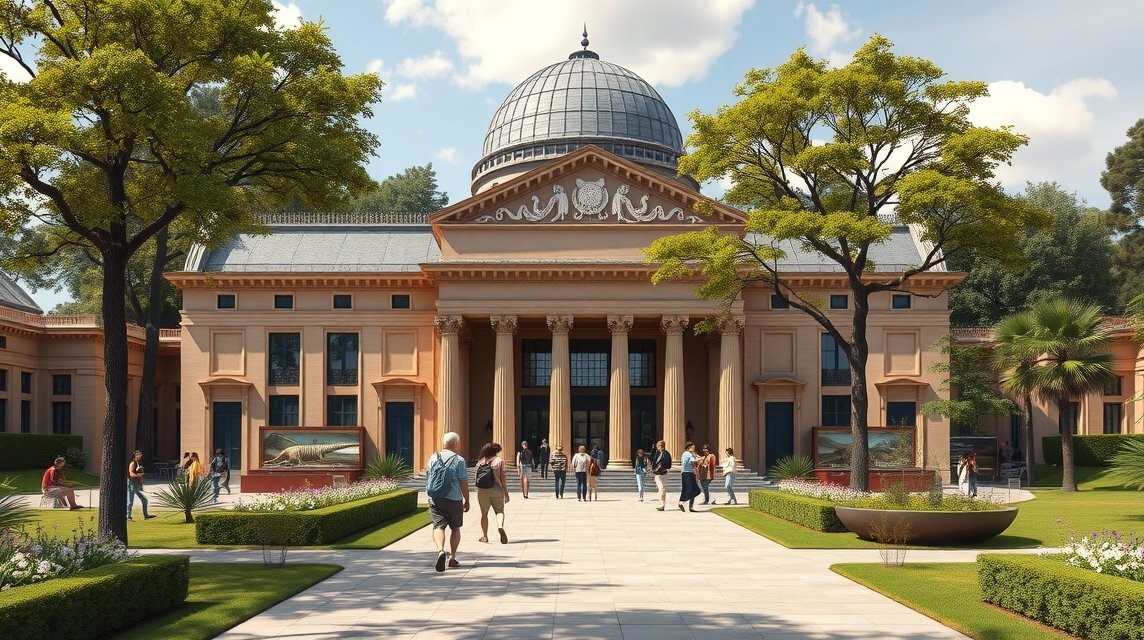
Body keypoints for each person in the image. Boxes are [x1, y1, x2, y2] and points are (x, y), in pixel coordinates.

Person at [426, 431, 470, 572]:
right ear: (456, 444)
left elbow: (429, 478)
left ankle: (440, 550)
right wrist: (467, 499)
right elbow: (463, 482)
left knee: (438, 526)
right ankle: (452, 557)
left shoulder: (433, 458)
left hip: (436, 498)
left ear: (444, 443)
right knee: (455, 528)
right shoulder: (459, 460)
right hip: (454, 499)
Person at [474, 442, 510, 545]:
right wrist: (506, 492)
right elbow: (503, 478)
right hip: (496, 488)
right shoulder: (500, 461)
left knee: (484, 513)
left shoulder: (480, 462)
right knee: (499, 511)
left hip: (482, 490)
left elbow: (476, 477)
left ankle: (485, 536)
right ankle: (500, 526)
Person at [127, 450, 156, 520]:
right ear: (136, 455)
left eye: (141, 454)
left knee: (138, 500)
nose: (141, 456)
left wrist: (141, 484)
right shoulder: (132, 463)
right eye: (139, 454)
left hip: (135, 484)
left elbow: (136, 472)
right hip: (132, 484)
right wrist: (139, 475)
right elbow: (131, 474)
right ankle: (129, 516)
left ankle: (144, 515)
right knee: (133, 501)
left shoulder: (137, 462)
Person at [677, 442, 702, 512]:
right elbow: (694, 460)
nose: (694, 449)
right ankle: (683, 503)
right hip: (688, 473)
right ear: (689, 447)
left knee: (686, 489)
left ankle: (683, 503)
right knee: (694, 490)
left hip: (688, 473)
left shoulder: (688, 454)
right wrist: (702, 458)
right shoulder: (687, 454)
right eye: (693, 447)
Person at [651, 440, 672, 511]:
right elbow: (654, 461)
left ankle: (662, 505)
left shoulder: (666, 454)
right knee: (660, 489)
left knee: (662, 488)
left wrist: (656, 470)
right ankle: (661, 503)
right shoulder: (658, 453)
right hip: (658, 474)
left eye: (658, 446)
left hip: (662, 474)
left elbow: (665, 464)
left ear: (662, 446)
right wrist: (653, 470)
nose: (657, 447)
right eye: (657, 446)